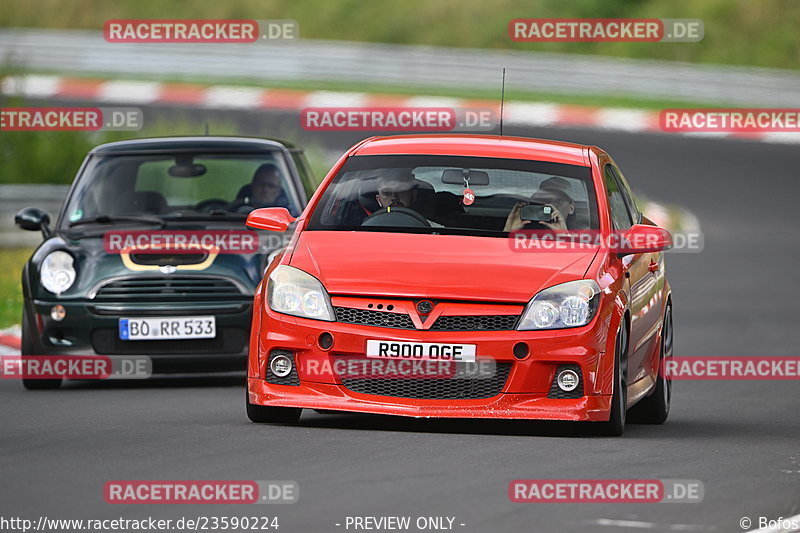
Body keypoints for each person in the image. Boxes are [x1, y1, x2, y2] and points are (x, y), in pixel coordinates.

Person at [504, 177, 576, 232]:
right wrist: (508, 231)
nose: (551, 206)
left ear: (571, 208)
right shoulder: (526, 230)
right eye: (545, 200)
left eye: (558, 201)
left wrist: (564, 236)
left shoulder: (581, 236)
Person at [230, 163, 298, 215]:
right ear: (252, 186)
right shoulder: (232, 211)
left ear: (278, 191)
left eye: (271, 186)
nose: (265, 189)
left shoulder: (289, 215)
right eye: (260, 184)